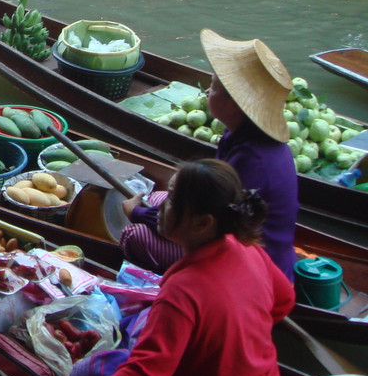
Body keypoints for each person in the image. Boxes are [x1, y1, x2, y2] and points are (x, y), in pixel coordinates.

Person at [40, 159, 294, 376]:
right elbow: (283, 302)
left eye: (172, 201)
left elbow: (145, 373)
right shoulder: (245, 247)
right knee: (140, 323)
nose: (160, 206)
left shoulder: (184, 290)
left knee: (92, 372)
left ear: (202, 223)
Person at [120, 29, 298, 281]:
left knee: (135, 235)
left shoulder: (252, 160)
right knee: (159, 195)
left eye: (213, 88)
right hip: (228, 230)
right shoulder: (239, 135)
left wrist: (138, 213)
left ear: (235, 103)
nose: (206, 94)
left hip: (251, 268)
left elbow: (209, 226)